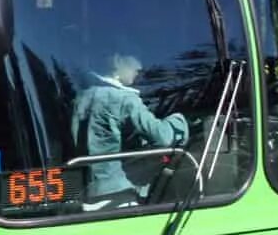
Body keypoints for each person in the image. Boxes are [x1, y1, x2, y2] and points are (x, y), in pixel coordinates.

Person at [71, 54, 189, 204]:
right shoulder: (125, 99)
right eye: (134, 57)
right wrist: (179, 121)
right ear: (117, 60)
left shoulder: (81, 97)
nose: (139, 67)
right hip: (118, 192)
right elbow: (163, 137)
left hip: (87, 191)